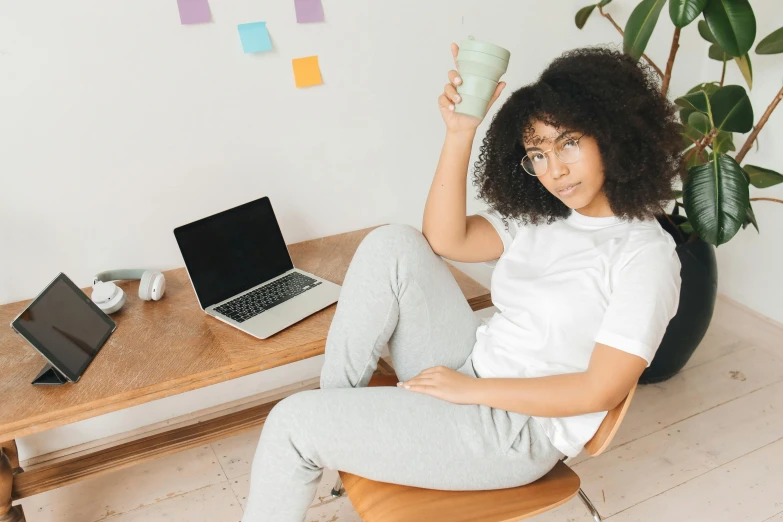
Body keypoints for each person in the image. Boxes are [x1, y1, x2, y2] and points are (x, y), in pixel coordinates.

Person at [241, 43, 683, 522]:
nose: (553, 170)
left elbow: (598, 391)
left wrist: (470, 392)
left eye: (569, 143)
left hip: (513, 431)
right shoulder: (547, 217)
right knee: (394, 242)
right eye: (537, 153)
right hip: (471, 364)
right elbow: (444, 238)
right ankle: (336, 416)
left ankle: (324, 431)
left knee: (290, 423)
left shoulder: (645, 257)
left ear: (613, 134)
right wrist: (460, 131)